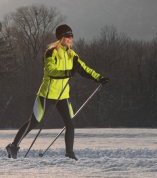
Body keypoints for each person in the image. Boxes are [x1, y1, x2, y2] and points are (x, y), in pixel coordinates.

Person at [6, 24, 109, 160]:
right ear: (60, 38)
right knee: (34, 122)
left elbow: (84, 69)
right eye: (67, 36)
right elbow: (50, 71)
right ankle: (13, 146)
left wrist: (98, 78)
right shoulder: (51, 52)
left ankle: (69, 153)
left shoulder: (72, 55)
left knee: (70, 124)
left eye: (71, 36)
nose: (70, 39)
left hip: (63, 96)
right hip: (47, 95)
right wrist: (66, 72)